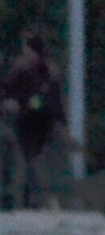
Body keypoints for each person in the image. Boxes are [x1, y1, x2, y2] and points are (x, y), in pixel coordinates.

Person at [2, 30, 61, 208]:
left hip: (26, 120)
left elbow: (7, 89)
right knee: (36, 159)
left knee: (24, 158)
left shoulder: (23, 68)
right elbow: (55, 99)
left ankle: (21, 196)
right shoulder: (51, 70)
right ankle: (34, 197)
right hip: (43, 120)